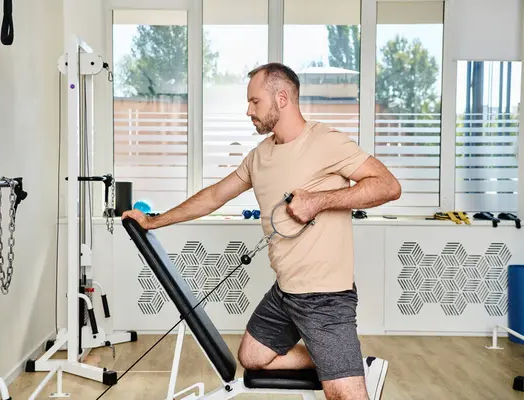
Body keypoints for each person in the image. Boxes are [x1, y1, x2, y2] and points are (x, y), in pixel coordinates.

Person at [122, 62, 401, 400]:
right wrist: (154, 221)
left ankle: (348, 369)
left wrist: (319, 201)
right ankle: (347, 362)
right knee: (252, 358)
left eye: (255, 102)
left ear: (281, 98)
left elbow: (388, 186)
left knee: (346, 396)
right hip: (285, 293)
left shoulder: (326, 141)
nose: (248, 110)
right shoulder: (259, 156)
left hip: (325, 296)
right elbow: (213, 197)